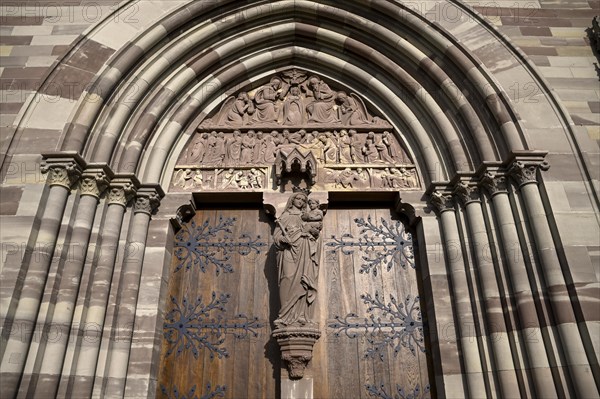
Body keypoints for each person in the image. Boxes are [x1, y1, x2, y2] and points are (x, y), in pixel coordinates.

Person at [273, 193, 321, 328]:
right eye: (298, 199)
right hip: (288, 250)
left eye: (303, 200)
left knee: (303, 280)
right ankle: (284, 315)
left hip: (304, 251)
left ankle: (301, 315)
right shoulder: (285, 216)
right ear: (292, 200)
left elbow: (316, 232)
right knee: (287, 278)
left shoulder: (306, 217)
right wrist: (283, 239)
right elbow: (276, 237)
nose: (300, 201)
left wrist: (313, 232)